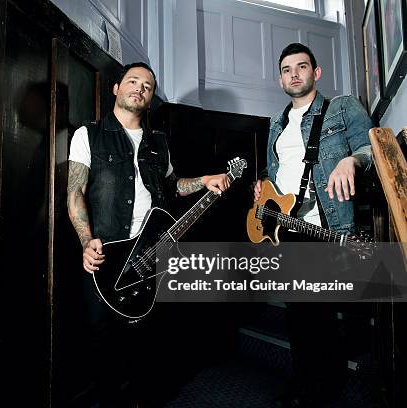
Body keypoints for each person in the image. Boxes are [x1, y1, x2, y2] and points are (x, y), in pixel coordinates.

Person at [67, 62, 230, 407]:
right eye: (133, 81)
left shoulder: (159, 142)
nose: (140, 88)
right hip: (106, 260)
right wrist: (85, 240)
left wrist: (204, 181)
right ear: (116, 88)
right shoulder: (88, 134)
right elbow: (75, 192)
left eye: (147, 86)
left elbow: (172, 186)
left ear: (151, 97)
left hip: (153, 257)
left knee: (149, 353)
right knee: (104, 354)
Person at [253, 43, 373, 407]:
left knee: (319, 314)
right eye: (287, 69)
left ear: (316, 73)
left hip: (325, 225)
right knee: (299, 315)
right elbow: (278, 171)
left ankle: (323, 387)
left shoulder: (342, 107)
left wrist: (352, 161)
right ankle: (302, 383)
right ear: (280, 78)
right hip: (284, 227)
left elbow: (373, 149)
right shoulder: (276, 122)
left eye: (301, 67)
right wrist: (262, 186)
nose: (294, 74)